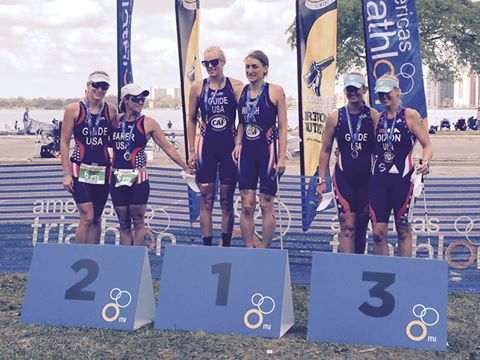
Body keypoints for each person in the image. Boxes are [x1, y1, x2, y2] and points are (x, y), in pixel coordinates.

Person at [112, 83, 193, 246]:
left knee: (138, 221)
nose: (141, 102)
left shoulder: (149, 123)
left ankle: (137, 260)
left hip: (138, 178)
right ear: (126, 100)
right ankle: (125, 261)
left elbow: (168, 147)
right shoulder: (115, 121)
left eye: (143, 98)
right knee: (123, 223)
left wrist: (185, 166)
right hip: (117, 177)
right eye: (136, 99)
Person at [369, 74, 432, 257]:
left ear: (397, 91)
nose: (384, 97)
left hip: (403, 181)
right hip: (379, 182)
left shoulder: (411, 115)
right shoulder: (377, 118)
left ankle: (403, 277)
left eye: (387, 93)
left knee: (403, 230)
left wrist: (425, 162)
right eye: (380, 94)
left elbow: (427, 146)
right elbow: (372, 149)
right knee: (378, 233)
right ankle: (381, 273)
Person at [187, 46, 243, 247]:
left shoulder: (236, 86)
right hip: (206, 149)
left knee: (227, 200)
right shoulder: (197, 88)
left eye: (214, 62)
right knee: (206, 199)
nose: (210, 66)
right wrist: (192, 150)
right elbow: (191, 119)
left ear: (223, 62)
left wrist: (238, 143)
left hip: (229, 149)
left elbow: (244, 119)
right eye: (206, 63)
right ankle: (207, 247)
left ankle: (225, 245)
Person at [232, 50, 287, 248]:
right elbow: (241, 123)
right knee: (247, 205)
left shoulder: (276, 91)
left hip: (268, 152)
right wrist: (237, 144)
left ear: (265, 68)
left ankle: (264, 249)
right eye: (247, 67)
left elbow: (282, 126)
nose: (250, 70)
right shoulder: (241, 92)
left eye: (255, 66)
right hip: (247, 153)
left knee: (265, 203)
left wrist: (281, 158)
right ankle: (249, 250)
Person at [317, 72, 377, 254]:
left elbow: (382, 147)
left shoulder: (373, 116)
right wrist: (322, 180)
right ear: (344, 91)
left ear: (364, 89)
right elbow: (325, 150)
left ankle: (357, 269)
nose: (353, 93)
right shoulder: (335, 117)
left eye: (356, 89)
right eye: (349, 89)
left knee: (360, 228)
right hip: (344, 179)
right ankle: (346, 271)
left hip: (367, 180)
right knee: (347, 226)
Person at [60, 70, 117, 244]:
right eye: (96, 85)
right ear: (88, 85)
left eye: (104, 86)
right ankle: (79, 257)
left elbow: (114, 140)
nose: (99, 89)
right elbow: (64, 142)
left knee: (97, 218)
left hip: (103, 169)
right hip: (80, 168)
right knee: (87, 216)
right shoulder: (73, 109)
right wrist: (66, 173)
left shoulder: (111, 110)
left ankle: (93, 257)